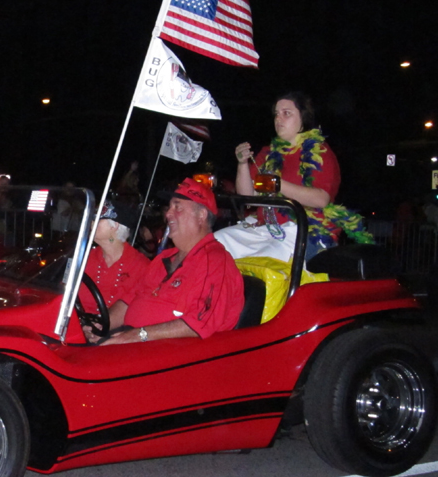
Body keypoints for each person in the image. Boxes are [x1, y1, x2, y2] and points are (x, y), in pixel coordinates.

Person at [216, 92, 371, 262]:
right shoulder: (267, 153)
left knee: (263, 259)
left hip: (303, 231)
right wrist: (242, 164)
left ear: (303, 118)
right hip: (265, 229)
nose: (278, 119)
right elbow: (248, 197)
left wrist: (277, 184)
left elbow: (321, 199)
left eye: (286, 113)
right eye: (276, 114)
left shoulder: (319, 151)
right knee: (216, 244)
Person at [94, 178, 244, 345]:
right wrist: (100, 327)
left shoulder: (216, 261)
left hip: (175, 356)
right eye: (170, 207)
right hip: (136, 343)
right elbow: (130, 300)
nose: (168, 214)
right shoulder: (164, 258)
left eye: (177, 207)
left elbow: (201, 322)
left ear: (201, 215)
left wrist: (135, 336)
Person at [79, 200, 149, 313]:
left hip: (116, 329)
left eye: (96, 220)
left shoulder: (142, 266)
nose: (91, 224)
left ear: (115, 226)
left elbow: (138, 310)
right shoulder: (82, 258)